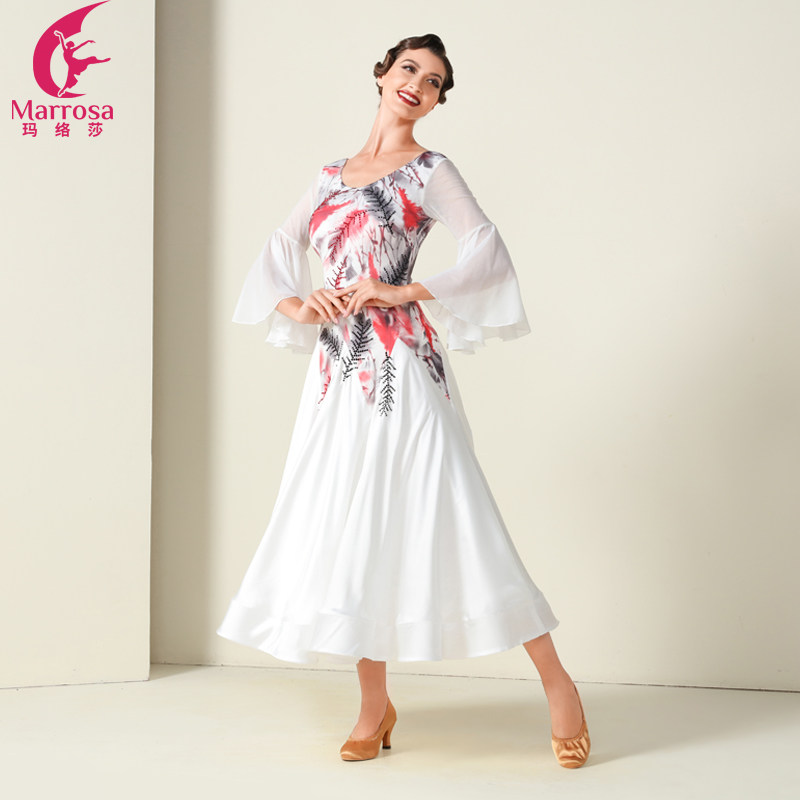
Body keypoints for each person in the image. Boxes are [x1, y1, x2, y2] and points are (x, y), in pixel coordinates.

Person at [216, 33, 590, 768]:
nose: (418, 83)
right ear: (383, 74)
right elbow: (278, 255)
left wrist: (401, 289)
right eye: (410, 68)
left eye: (435, 81)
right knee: (357, 525)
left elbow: (486, 250)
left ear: (438, 101)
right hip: (337, 374)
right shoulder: (329, 176)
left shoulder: (430, 170)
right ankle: (373, 704)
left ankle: (559, 685)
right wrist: (302, 305)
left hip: (404, 365)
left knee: (461, 509)